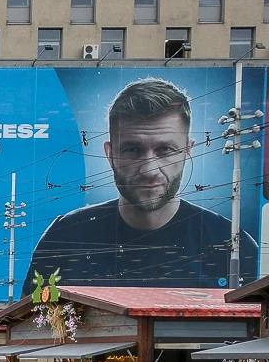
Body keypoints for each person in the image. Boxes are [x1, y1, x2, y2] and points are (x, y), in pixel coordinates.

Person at [26, 78, 258, 291]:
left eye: (165, 150)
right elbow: (29, 320)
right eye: (132, 149)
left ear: (187, 151)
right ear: (110, 154)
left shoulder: (233, 245)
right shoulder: (65, 237)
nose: (149, 170)